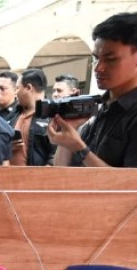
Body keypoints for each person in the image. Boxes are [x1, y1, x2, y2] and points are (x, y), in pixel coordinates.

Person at [48, 12, 137, 168]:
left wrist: (80, 148)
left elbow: (129, 187)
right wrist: (68, 135)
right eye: (96, 58)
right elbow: (61, 171)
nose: (98, 68)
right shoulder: (100, 106)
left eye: (110, 59)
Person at [11, 69, 55, 166]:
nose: (15, 93)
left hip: (36, 179)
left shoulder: (52, 117)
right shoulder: (13, 114)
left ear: (28, 87)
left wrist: (43, 176)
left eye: (17, 88)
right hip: (9, 177)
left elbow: (55, 154)